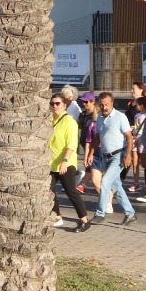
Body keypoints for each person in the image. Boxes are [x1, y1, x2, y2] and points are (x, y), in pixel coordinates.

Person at [85, 92, 136, 225]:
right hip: (104, 156)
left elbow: (129, 137)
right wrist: (91, 153)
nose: (104, 107)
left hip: (118, 156)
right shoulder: (100, 118)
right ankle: (130, 213)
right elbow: (97, 137)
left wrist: (128, 155)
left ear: (112, 103)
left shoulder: (120, 117)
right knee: (116, 187)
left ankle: (100, 213)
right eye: (101, 105)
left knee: (105, 182)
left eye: (107, 104)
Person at [48, 92, 91, 231]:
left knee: (71, 191)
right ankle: (58, 216)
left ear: (64, 105)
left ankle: (84, 220)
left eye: (58, 103)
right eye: (52, 103)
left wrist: (65, 161)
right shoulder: (50, 120)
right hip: (51, 162)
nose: (55, 106)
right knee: (48, 190)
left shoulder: (69, 121)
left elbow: (72, 143)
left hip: (66, 162)